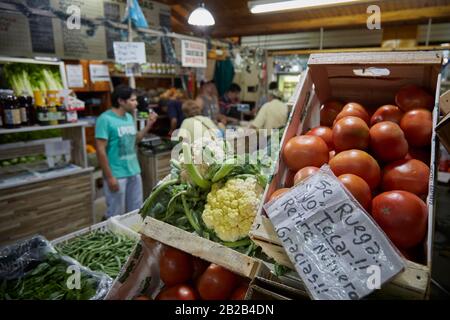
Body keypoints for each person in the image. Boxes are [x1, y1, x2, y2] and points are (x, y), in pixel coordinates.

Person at [95, 85, 157, 218]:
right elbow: (100, 150)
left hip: (134, 171)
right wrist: (110, 177)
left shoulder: (129, 117)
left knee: (135, 211)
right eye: (132, 100)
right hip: (117, 174)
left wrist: (149, 125)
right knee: (115, 213)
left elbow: (135, 140)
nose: (136, 103)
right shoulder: (105, 119)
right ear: (121, 101)